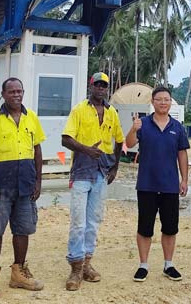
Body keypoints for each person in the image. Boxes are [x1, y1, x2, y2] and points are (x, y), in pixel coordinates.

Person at [0, 77, 45, 299]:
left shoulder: (31, 117)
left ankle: (18, 273)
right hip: (0, 188)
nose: (16, 95)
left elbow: (37, 149)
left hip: (26, 186)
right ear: (3, 94)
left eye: (19, 91)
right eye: (12, 91)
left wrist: (38, 181)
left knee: (23, 231)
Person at [61, 71, 124, 291]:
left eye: (104, 85)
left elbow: (119, 140)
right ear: (91, 86)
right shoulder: (79, 110)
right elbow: (66, 139)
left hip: (101, 172)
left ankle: (87, 262)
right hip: (81, 171)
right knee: (78, 221)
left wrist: (115, 166)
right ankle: (75, 266)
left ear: (107, 89)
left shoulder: (112, 113)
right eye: (97, 85)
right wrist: (86, 149)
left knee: (94, 220)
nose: (100, 88)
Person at [124, 85, 189, 282]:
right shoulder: (142, 123)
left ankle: (168, 264)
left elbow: (182, 154)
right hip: (146, 184)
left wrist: (184, 179)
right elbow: (129, 143)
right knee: (145, 227)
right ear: (152, 102)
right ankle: (143, 265)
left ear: (171, 103)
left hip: (170, 185)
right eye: (159, 99)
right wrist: (133, 129)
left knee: (170, 227)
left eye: (166, 99)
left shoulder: (177, 127)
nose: (163, 102)